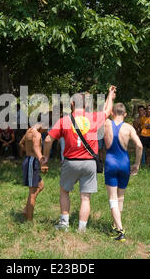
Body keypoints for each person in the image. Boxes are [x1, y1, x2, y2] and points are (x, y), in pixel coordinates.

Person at [42, 86, 116, 232]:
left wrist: (45, 157)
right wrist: (110, 95)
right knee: (85, 197)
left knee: (64, 191)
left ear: (72, 104)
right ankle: (82, 229)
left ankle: (64, 224)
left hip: (71, 162)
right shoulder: (94, 117)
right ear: (87, 105)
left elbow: (48, 139)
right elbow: (107, 111)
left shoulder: (64, 120)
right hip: (89, 163)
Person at [104, 103, 142, 242]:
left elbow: (104, 112)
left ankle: (120, 229)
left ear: (112, 113)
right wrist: (137, 164)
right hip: (124, 163)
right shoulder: (129, 128)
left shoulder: (107, 123)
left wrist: (110, 95)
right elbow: (139, 145)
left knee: (113, 198)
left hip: (110, 162)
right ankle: (115, 225)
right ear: (125, 114)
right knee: (120, 198)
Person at [19, 123, 48, 221]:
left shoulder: (28, 131)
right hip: (33, 161)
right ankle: (29, 221)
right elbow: (36, 147)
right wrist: (42, 161)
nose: (45, 131)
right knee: (33, 191)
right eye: (45, 129)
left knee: (40, 186)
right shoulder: (38, 134)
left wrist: (28, 152)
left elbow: (21, 144)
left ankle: (26, 209)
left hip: (29, 160)